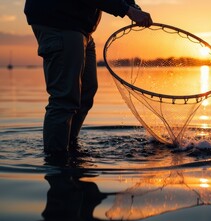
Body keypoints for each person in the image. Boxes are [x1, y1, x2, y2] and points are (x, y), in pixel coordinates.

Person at [24, 0, 153, 158]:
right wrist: (127, 10)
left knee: (86, 91)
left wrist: (131, 5)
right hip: (60, 23)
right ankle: (56, 161)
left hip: (80, 27)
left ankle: (69, 147)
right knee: (64, 98)